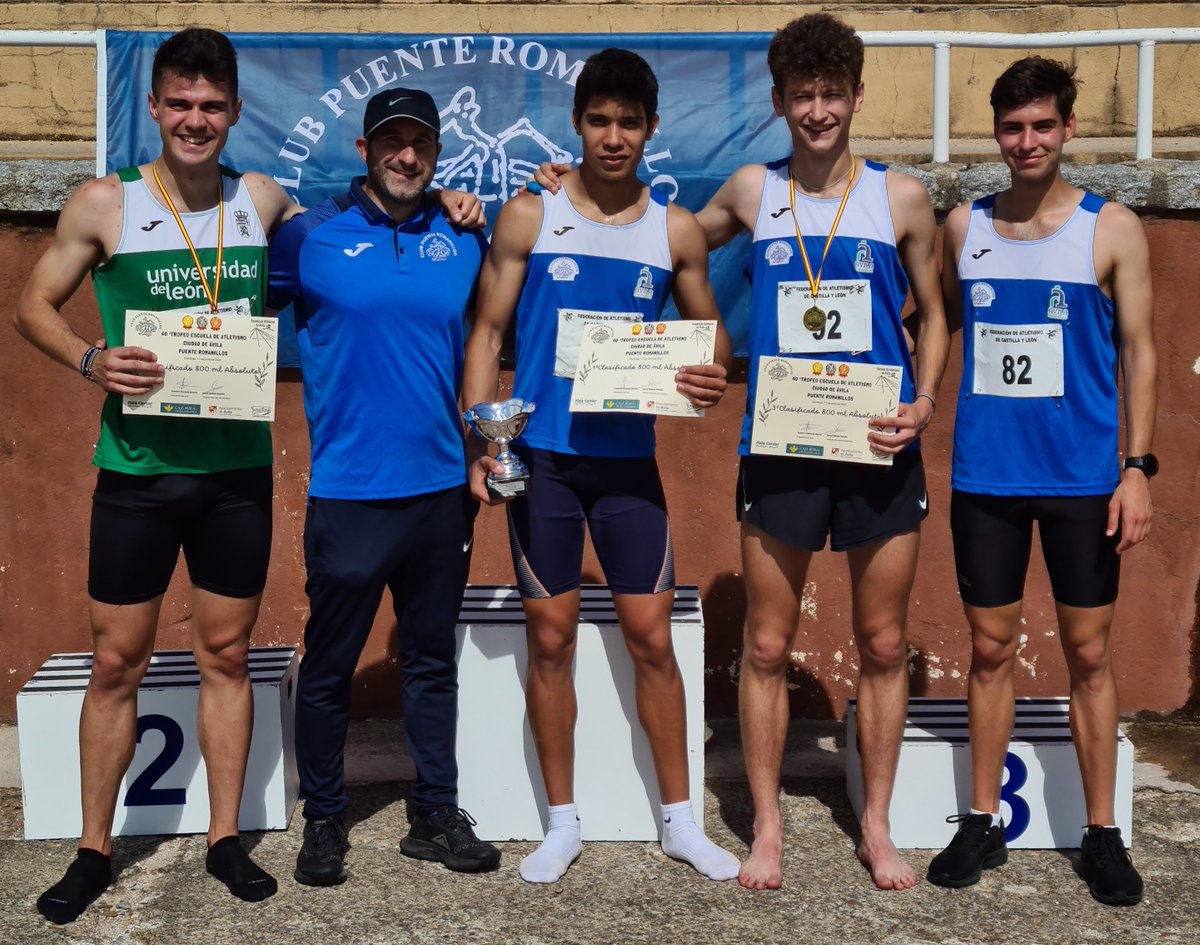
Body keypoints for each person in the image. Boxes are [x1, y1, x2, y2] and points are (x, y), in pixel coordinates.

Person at [13, 28, 302, 923]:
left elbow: (359, 233)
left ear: (236, 112)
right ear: (153, 107)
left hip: (234, 476)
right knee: (115, 661)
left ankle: (224, 838)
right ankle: (94, 850)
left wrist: (456, 202)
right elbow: (30, 304)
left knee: (226, 655)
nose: (195, 120)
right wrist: (91, 359)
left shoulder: (264, 197)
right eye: (180, 103)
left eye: (212, 105)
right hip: (136, 472)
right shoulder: (105, 202)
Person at [462, 48, 740, 885]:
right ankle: (561, 822)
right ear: (576, 125)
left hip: (627, 466)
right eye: (598, 120)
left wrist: (709, 371)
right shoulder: (530, 214)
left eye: (629, 122)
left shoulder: (674, 228)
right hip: (542, 460)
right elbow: (484, 333)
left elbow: (713, 338)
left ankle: (681, 822)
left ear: (651, 129)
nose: (613, 137)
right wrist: (486, 439)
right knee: (549, 637)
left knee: (652, 638)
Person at [927, 57, 1155, 908]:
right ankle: (982, 820)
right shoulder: (963, 226)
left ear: (1067, 130)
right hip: (987, 477)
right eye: (1013, 127)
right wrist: (918, 401)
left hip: (1081, 481)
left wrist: (1136, 468)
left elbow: (1141, 352)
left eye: (1043, 126)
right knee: (990, 650)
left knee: (1089, 654)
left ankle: (1102, 832)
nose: (1027, 141)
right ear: (997, 133)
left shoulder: (1112, 228)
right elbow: (940, 321)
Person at [267, 87, 500, 886]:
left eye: (422, 145)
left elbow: (497, 337)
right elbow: (230, 312)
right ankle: (325, 817)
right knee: (330, 664)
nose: (408, 156)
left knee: (432, 660)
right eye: (392, 142)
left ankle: (435, 811)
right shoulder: (307, 237)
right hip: (349, 492)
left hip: (441, 490)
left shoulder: (465, 233)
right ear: (365, 149)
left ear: (438, 153)